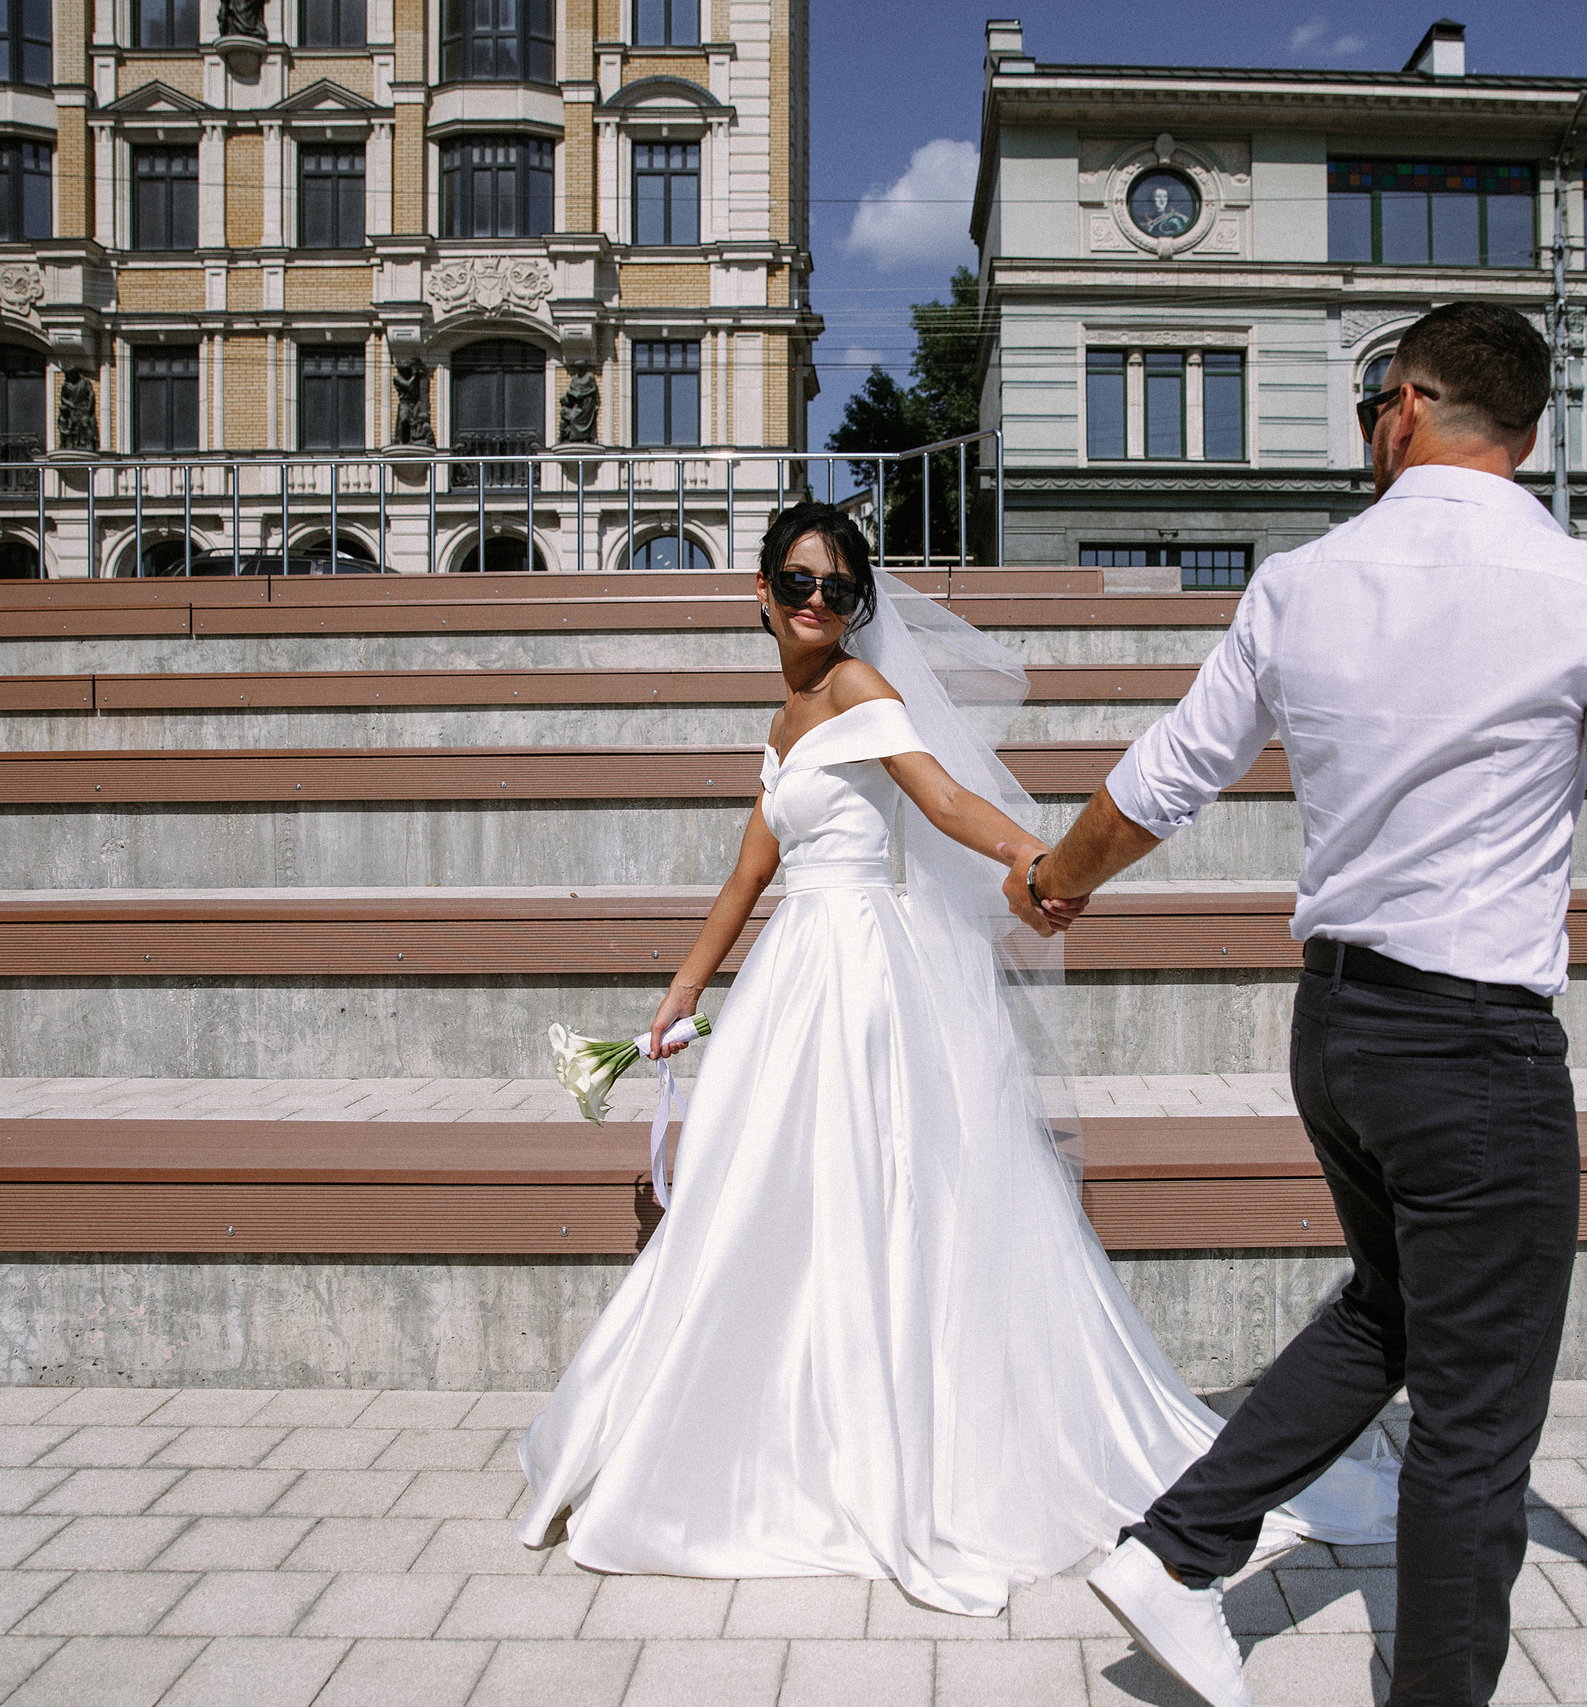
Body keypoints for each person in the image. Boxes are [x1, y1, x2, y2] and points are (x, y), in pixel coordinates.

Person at [1025, 303, 1587, 1707]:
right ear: (1531, 435)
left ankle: (1179, 1549)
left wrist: (1053, 881)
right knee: (1476, 1426)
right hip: (1472, 1051)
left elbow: (1173, 768)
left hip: (1338, 1031)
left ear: (1408, 404)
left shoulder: (1301, 581)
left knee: (1391, 1310)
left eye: (1372, 406)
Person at [514, 501, 1398, 1617]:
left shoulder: (859, 689)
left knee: (869, 1193)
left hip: (861, 976)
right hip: (796, 973)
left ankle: (876, 1444)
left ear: (857, 607)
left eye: (840, 589)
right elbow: (750, 872)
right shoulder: (785, 717)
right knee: (774, 1196)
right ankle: (777, 1423)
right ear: (761, 590)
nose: (819, 603)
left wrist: (1038, 862)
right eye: (800, 582)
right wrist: (682, 993)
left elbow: (942, 800)